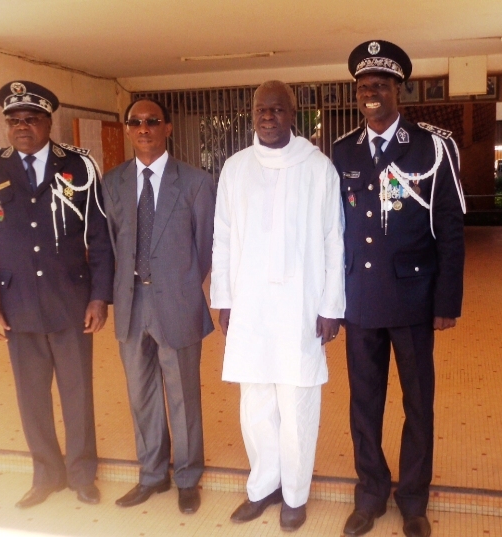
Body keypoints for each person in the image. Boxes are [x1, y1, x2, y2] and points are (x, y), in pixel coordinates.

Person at [332, 41, 465, 537]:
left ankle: (412, 500)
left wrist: (447, 301)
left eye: (381, 85)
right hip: (361, 299)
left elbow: (450, 227)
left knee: (417, 403)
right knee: (363, 404)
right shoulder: (342, 150)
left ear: (398, 91)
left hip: (413, 300)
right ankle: (369, 494)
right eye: (364, 85)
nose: (371, 92)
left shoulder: (432, 147)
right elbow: (332, 230)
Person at [0, 81, 114, 508]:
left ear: (49, 122)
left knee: (77, 394)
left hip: (71, 300)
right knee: (31, 397)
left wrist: (99, 296)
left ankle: (83, 473)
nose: (21, 127)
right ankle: (47, 474)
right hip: (17, 305)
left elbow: (100, 237)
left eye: (30, 119)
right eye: (13, 120)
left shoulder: (79, 167)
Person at [211, 80, 345, 532]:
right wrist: (224, 299)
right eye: (260, 110)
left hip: (301, 307)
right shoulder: (235, 168)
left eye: (277, 109)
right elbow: (223, 237)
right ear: (252, 115)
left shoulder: (318, 168)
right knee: (256, 406)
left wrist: (332, 306)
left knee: (298, 405)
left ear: (293, 114)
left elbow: (333, 242)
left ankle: (295, 495)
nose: (267, 117)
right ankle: (263, 486)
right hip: (249, 304)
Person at [100, 98, 216, 515]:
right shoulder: (111, 183)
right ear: (128, 129)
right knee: (141, 394)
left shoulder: (196, 182)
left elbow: (204, 249)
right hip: (132, 304)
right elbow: (109, 245)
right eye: (135, 122)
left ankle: (186, 475)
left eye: (152, 121)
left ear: (167, 128)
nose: (143, 128)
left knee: (183, 394)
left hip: (178, 302)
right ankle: (152, 474)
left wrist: (180, 283)